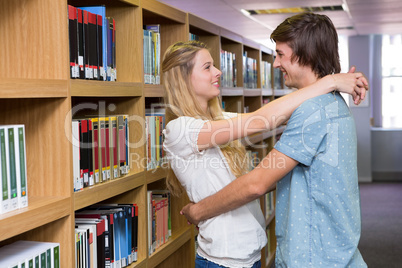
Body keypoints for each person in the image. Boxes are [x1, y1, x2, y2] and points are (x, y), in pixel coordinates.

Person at [180, 12, 368, 268]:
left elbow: (257, 184)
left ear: (307, 55)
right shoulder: (331, 103)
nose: (276, 63)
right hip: (332, 252)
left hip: (314, 258)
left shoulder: (313, 111)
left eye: (280, 54)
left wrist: (198, 211)